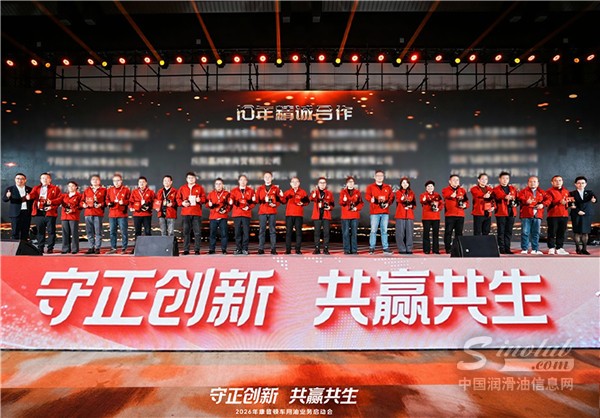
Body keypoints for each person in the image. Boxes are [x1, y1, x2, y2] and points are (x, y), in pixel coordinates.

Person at [29, 172, 63, 253]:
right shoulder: (36, 188)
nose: (45, 179)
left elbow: (59, 200)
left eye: (46, 178)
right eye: (43, 178)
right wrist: (29, 196)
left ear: (50, 179)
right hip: (38, 213)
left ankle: (50, 247)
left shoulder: (55, 188)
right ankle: (40, 247)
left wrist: (51, 204)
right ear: (40, 180)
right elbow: (32, 195)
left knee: (51, 231)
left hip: (50, 212)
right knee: (40, 231)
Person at [365, 170, 394, 255]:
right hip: (375, 212)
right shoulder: (370, 187)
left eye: (381, 176)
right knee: (373, 230)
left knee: (384, 230)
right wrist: (371, 199)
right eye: (378, 176)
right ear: (374, 177)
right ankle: (372, 248)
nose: (379, 177)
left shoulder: (387, 187)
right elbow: (367, 196)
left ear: (383, 177)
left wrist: (388, 203)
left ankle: (385, 248)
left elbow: (391, 197)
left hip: (385, 212)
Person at [177, 172, 206, 255]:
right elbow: (178, 198)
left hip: (196, 213)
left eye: (192, 178)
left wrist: (199, 200)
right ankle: (186, 249)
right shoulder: (182, 188)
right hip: (186, 213)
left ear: (195, 179)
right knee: (186, 232)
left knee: (197, 232)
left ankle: (197, 249)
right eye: (189, 178)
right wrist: (182, 203)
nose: (191, 179)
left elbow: (204, 199)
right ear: (186, 179)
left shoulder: (199, 188)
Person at [255, 171, 283, 255]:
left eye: (269, 177)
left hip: (272, 211)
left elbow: (279, 201)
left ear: (272, 178)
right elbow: (257, 201)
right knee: (262, 231)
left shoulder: (276, 188)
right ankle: (261, 249)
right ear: (263, 178)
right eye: (266, 177)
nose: (267, 178)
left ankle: (273, 249)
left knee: (272, 231)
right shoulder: (260, 188)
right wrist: (259, 199)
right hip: (262, 212)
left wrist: (275, 204)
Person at [543, 175, 572, 255]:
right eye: (556, 180)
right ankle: (551, 248)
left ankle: (559, 248)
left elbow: (569, 202)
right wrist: (559, 202)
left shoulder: (566, 191)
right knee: (552, 232)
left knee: (561, 232)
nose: (558, 182)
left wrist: (570, 204)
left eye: (560, 180)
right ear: (552, 182)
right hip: (553, 215)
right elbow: (548, 202)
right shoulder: (549, 191)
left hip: (564, 215)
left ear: (562, 182)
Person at [442, 174, 469, 254]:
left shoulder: (462, 190)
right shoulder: (446, 189)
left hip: (460, 215)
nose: (456, 182)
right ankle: (448, 248)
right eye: (454, 180)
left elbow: (466, 201)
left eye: (457, 180)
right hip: (450, 215)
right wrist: (452, 195)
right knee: (448, 232)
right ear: (450, 181)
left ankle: (458, 248)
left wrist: (465, 205)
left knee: (459, 233)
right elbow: (446, 195)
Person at [281, 176, 309, 255]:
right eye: (293, 182)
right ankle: (288, 250)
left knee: (298, 233)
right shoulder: (287, 192)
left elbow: (307, 201)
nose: (295, 183)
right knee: (288, 233)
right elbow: (283, 201)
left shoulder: (303, 192)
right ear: (290, 184)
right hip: (289, 214)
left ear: (299, 183)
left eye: (296, 182)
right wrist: (281, 196)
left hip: (298, 214)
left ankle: (298, 249)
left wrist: (302, 203)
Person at [229, 174, 255, 255]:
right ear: (238, 181)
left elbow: (253, 202)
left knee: (246, 232)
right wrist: (230, 201)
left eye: (244, 180)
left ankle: (245, 248)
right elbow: (231, 199)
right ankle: (238, 248)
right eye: (241, 180)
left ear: (246, 181)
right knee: (237, 232)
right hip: (237, 214)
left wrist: (249, 207)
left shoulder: (251, 191)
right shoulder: (234, 191)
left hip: (246, 214)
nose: (243, 181)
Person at [518, 176, 545, 255]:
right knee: (525, 232)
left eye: (534, 181)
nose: (532, 183)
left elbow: (548, 200)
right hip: (526, 214)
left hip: (537, 215)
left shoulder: (542, 192)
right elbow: (520, 198)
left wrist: (542, 205)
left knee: (536, 233)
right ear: (528, 183)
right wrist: (526, 201)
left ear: (538, 183)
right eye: (531, 181)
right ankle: (524, 249)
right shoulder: (523, 191)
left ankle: (535, 249)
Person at [493, 171, 518, 254]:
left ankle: (507, 248)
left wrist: (515, 203)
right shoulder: (496, 189)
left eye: (507, 178)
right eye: (503, 178)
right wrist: (505, 196)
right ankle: (501, 248)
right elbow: (498, 196)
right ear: (499, 179)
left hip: (511, 212)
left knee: (509, 231)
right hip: (501, 213)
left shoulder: (513, 189)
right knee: (501, 231)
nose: (505, 180)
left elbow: (517, 200)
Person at [570, 176, 597, 255]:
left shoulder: (590, 192)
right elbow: (571, 204)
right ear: (575, 184)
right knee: (577, 232)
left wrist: (594, 200)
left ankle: (584, 249)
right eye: (578, 183)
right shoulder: (572, 193)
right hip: (576, 214)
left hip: (587, 214)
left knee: (585, 232)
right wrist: (578, 211)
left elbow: (595, 199)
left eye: (582, 183)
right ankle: (578, 248)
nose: (581, 185)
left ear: (586, 184)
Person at [2, 172, 33, 241]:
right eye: (18, 178)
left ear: (25, 180)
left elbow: (33, 201)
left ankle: (24, 246)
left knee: (25, 232)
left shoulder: (30, 189)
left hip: (26, 213)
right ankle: (15, 246)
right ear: (15, 179)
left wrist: (30, 198)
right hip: (15, 213)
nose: (20, 180)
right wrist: (7, 196)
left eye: (22, 179)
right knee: (15, 232)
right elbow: (4, 199)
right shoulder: (10, 189)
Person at [81, 175, 107, 254]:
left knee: (98, 232)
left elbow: (106, 201)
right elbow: (82, 201)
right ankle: (91, 247)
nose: (95, 181)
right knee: (89, 232)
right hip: (88, 213)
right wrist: (83, 204)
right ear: (90, 181)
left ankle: (97, 248)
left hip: (98, 213)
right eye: (93, 179)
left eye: (96, 179)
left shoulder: (104, 190)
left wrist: (100, 204)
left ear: (99, 181)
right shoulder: (87, 190)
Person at [106, 173, 130, 254]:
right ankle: (113, 248)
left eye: (118, 180)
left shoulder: (126, 190)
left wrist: (124, 202)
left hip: (122, 214)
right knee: (112, 232)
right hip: (112, 214)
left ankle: (124, 248)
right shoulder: (109, 190)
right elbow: (107, 199)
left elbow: (130, 201)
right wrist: (109, 203)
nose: (116, 182)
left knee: (123, 232)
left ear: (121, 181)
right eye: (114, 181)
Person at [310, 177, 335, 254]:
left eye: (324, 183)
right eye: (321, 183)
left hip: (326, 215)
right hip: (317, 215)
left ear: (326, 184)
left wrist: (329, 207)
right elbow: (311, 199)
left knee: (326, 233)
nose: (322, 184)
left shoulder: (329, 193)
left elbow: (332, 204)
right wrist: (314, 195)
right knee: (317, 233)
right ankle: (317, 248)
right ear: (318, 184)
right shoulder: (315, 192)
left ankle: (326, 248)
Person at [339, 176, 364, 255]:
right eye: (349, 182)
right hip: (345, 215)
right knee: (345, 233)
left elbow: (361, 203)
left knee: (354, 233)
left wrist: (356, 208)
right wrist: (344, 200)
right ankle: (346, 250)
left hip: (355, 215)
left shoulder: (357, 192)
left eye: (352, 182)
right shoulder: (343, 192)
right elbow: (341, 203)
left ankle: (354, 250)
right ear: (346, 183)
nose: (351, 183)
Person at [206, 178, 230, 254]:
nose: (218, 185)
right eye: (217, 184)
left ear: (223, 185)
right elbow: (206, 204)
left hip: (223, 217)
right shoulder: (211, 194)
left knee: (224, 234)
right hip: (213, 217)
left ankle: (224, 249)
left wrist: (226, 210)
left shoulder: (227, 194)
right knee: (212, 234)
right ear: (214, 185)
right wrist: (209, 204)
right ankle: (212, 249)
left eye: (220, 184)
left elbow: (230, 205)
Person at [129, 176, 155, 245]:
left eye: (143, 182)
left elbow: (154, 202)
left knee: (148, 232)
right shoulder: (134, 192)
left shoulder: (151, 192)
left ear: (146, 183)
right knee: (137, 232)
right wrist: (131, 207)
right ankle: (137, 247)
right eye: (140, 182)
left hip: (147, 214)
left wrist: (149, 207)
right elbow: (130, 202)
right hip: (137, 214)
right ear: (138, 183)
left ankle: (148, 246)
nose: (141, 184)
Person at [394, 177, 416, 254]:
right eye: (403, 183)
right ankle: (401, 248)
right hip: (400, 214)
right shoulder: (398, 192)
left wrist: (411, 206)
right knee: (400, 233)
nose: (405, 184)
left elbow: (414, 204)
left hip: (409, 215)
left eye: (406, 183)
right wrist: (403, 198)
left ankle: (409, 248)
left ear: (408, 184)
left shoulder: (412, 193)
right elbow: (399, 200)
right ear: (401, 184)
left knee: (409, 233)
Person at [420, 180, 443, 255]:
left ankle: (436, 250)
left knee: (435, 234)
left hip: (436, 217)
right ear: (426, 188)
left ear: (434, 187)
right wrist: (425, 200)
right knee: (426, 234)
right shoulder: (423, 195)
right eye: (428, 186)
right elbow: (422, 201)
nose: (430, 188)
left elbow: (441, 204)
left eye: (431, 186)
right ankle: (426, 250)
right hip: (426, 218)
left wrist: (438, 209)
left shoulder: (437, 195)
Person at [60, 181, 82, 254]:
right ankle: (65, 249)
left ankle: (75, 249)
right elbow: (58, 201)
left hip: (73, 216)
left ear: (76, 187)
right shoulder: (64, 195)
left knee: (74, 233)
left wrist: (73, 210)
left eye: (72, 186)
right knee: (65, 233)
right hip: (65, 216)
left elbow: (80, 206)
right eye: (69, 186)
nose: (71, 187)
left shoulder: (79, 196)